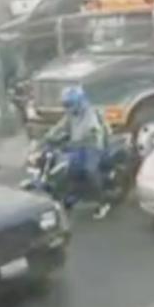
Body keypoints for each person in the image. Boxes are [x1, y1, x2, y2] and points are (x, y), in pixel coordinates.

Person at [45, 86, 112, 219]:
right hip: (76, 146)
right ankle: (73, 196)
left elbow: (91, 129)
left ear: (78, 102)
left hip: (93, 145)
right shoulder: (71, 114)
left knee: (89, 170)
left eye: (69, 104)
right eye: (65, 104)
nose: (67, 107)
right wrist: (48, 136)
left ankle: (102, 203)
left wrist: (76, 141)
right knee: (69, 169)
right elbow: (60, 126)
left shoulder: (90, 113)